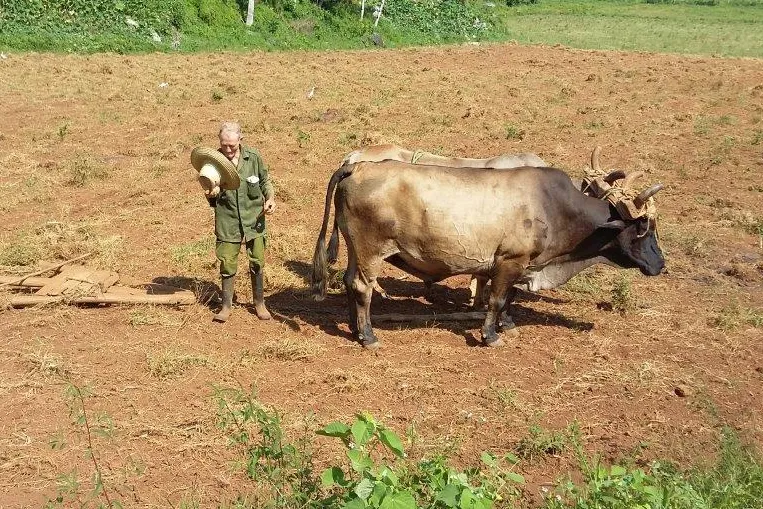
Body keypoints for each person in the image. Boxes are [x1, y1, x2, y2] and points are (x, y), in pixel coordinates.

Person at [204, 121, 276, 322]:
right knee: (227, 262)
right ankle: (226, 306)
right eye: (224, 144)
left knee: (258, 262)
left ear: (240, 141)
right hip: (228, 221)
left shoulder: (253, 158)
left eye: (232, 146)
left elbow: (264, 181)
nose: (227, 149)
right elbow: (210, 196)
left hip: (254, 219)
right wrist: (211, 193)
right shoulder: (213, 164)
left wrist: (270, 198)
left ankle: (259, 303)